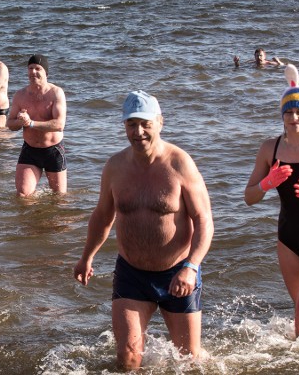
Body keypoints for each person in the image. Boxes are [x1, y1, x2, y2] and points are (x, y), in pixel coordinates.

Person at [73, 91, 213, 370]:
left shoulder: (179, 164)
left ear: (160, 122)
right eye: (131, 124)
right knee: (128, 357)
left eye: (145, 124)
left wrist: (191, 267)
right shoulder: (115, 167)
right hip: (132, 273)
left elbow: (204, 221)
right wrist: (86, 257)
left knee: (189, 362)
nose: (138, 132)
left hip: (177, 272)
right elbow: (102, 216)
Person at [244, 64, 299, 337]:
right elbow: (249, 197)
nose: (294, 117)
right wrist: (267, 183)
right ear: (281, 115)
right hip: (288, 239)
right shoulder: (270, 148)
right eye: (289, 112)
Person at [7, 54, 68, 196]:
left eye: (37, 68)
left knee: (59, 198)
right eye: (30, 68)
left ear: (45, 73)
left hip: (53, 151)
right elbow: (10, 124)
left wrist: (31, 123)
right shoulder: (20, 95)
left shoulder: (56, 93)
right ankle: (33, 217)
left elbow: (59, 124)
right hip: (30, 150)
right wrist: (20, 122)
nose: (33, 72)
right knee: (22, 195)